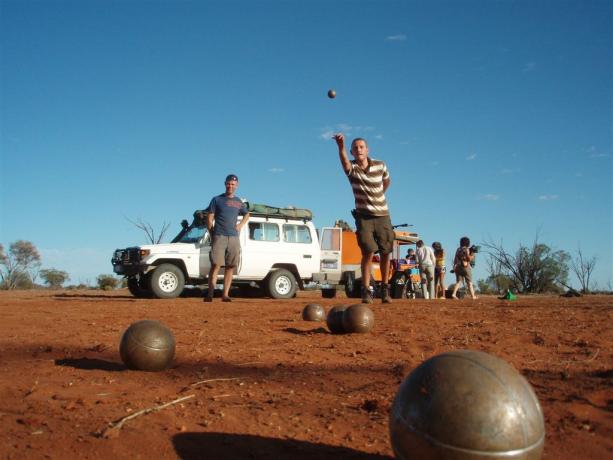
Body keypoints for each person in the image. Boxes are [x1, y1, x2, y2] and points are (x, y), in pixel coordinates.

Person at [333, 133, 395, 304]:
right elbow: (344, 162)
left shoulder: (380, 165)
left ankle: (385, 289)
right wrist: (341, 147)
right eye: (355, 148)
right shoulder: (352, 169)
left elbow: (387, 181)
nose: (359, 149)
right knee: (367, 251)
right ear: (352, 152)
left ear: (367, 150)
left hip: (383, 215)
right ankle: (366, 290)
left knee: (385, 252)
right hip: (364, 217)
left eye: (361, 147)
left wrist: (379, 194)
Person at [203, 174, 250, 302]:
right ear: (225, 184)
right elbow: (209, 217)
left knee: (230, 266)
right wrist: (212, 232)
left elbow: (247, 215)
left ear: (237, 185)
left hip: (234, 237)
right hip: (219, 235)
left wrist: (240, 225)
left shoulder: (239, 201)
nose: (230, 186)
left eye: (233, 184)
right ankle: (210, 294)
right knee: (216, 264)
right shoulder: (217, 199)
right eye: (229, 184)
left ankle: (225, 295)